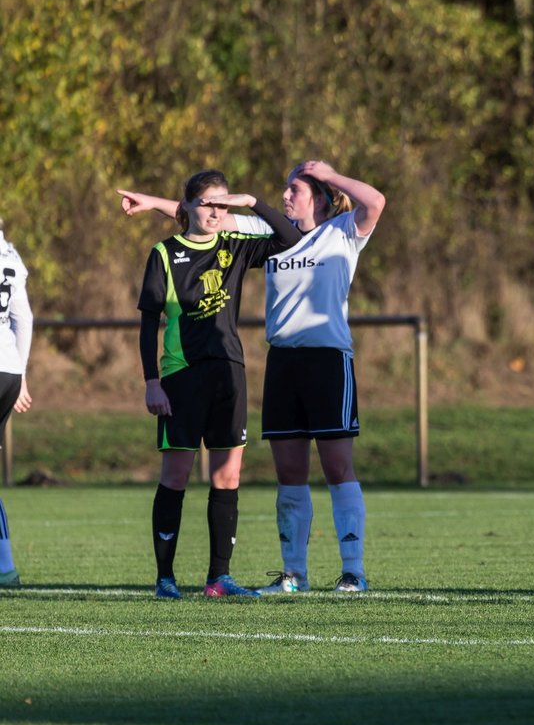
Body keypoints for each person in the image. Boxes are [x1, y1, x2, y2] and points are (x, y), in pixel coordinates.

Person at [119, 160, 385, 594]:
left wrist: (329, 173)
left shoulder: (343, 232)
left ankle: (352, 570)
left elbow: (376, 201)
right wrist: (151, 204)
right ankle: (294, 573)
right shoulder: (263, 230)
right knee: (289, 471)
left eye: (293, 189)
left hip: (327, 361)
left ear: (318, 197)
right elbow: (205, 215)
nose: (284, 195)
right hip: (282, 362)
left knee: (337, 466)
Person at [130, 170, 301, 598]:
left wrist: (250, 201)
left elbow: (290, 239)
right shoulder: (165, 253)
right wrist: (152, 382)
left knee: (227, 477)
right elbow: (149, 322)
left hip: (229, 374)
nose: (215, 211)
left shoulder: (235, 246)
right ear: (186, 206)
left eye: (222, 203)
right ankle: (165, 579)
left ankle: (218, 579)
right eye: (207, 202)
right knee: (176, 476)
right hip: (181, 376)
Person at [0, 218, 33, 588]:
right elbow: (23, 318)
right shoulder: (10, 255)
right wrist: (21, 374)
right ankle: (5, 567)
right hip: (7, 370)